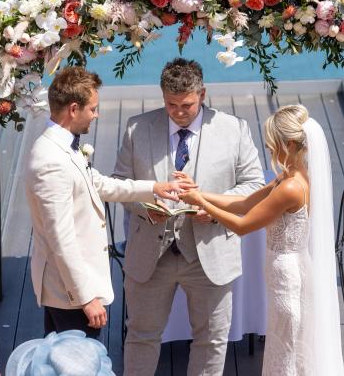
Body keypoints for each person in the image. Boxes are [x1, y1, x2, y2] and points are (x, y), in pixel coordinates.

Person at [113, 58, 264, 375]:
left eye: (187, 105)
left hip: (210, 254)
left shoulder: (234, 129)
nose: (179, 112)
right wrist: (148, 207)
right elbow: (121, 184)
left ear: (203, 94)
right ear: (162, 96)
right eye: (171, 105)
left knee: (211, 340)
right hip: (150, 257)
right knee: (141, 337)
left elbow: (254, 186)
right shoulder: (137, 129)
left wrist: (211, 208)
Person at [25, 66, 193, 342]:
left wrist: (155, 188)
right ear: (74, 109)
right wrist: (86, 298)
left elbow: (98, 184)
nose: (97, 114)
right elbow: (60, 239)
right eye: (93, 109)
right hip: (71, 294)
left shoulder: (63, 147)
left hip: (73, 288)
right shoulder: (51, 162)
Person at [179, 104, 344, 375]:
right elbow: (244, 203)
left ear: (289, 144)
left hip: (287, 279)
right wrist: (200, 192)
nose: (269, 149)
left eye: (272, 144)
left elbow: (243, 225)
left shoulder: (290, 188)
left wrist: (201, 203)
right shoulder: (289, 177)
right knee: (284, 349)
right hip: (284, 273)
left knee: (286, 352)